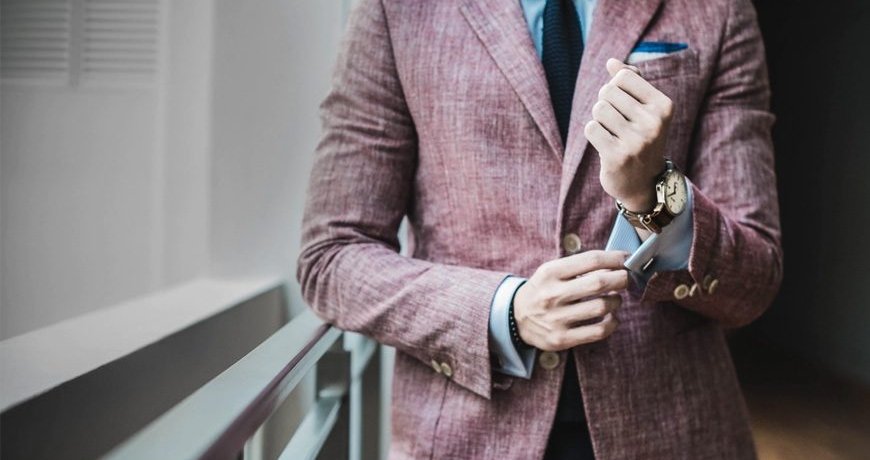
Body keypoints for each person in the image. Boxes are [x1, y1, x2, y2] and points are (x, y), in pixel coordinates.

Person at [297, 0, 782, 458]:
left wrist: (652, 195)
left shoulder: (716, 10)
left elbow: (754, 283)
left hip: (672, 431)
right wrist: (505, 311)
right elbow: (333, 257)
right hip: (466, 436)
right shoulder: (397, 10)